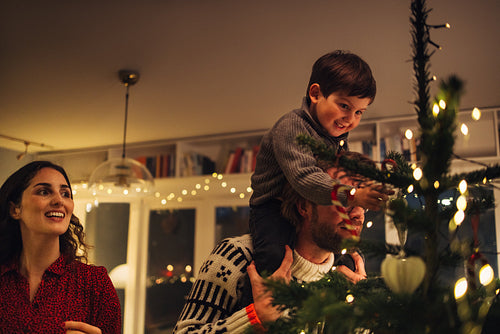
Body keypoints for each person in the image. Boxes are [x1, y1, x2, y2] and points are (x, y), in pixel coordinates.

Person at [173, 164, 369, 333]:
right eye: (345, 199)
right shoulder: (237, 256)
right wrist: (255, 318)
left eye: (363, 203)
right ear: (304, 206)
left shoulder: (349, 275)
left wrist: (361, 313)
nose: (358, 213)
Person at [249, 50, 389, 277]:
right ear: (315, 94)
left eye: (359, 112)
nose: (350, 119)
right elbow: (304, 178)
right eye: (344, 106)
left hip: (310, 207)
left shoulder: (336, 138)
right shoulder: (292, 127)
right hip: (272, 207)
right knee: (275, 260)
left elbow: (344, 171)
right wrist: (352, 194)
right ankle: (260, 301)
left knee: (346, 256)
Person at [0, 161, 121, 333]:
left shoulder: (95, 284)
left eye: (65, 193)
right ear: (15, 209)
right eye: (44, 191)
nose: (59, 200)